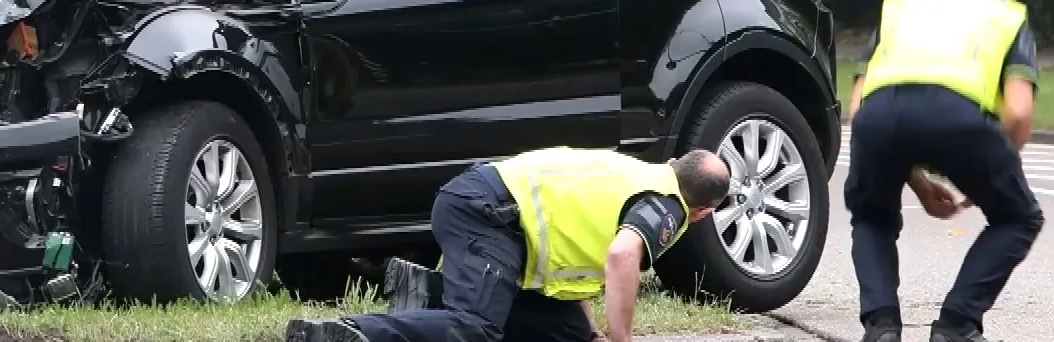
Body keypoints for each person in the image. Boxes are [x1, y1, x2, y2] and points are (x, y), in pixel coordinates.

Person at [285, 148, 733, 342]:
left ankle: (430, 294)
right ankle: (349, 332)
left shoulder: (640, 174)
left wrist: (594, 332)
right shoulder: (668, 205)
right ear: (705, 212)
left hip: (487, 207)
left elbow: (581, 256)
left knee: (570, 336)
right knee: (476, 330)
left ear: (674, 162)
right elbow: (621, 256)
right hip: (488, 212)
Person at [844, 0, 1045, 342]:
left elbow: (858, 108)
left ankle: (881, 326)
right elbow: (1018, 113)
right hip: (960, 120)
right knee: (1018, 217)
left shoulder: (899, 11)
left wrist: (916, 181)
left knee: (872, 216)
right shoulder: (1003, 16)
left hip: (878, 118)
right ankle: (957, 325)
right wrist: (991, 169)